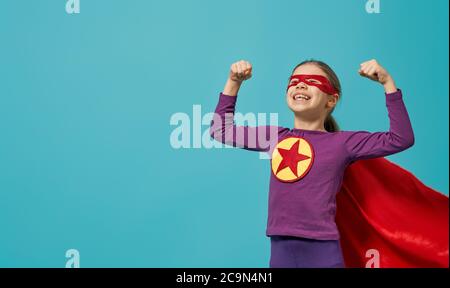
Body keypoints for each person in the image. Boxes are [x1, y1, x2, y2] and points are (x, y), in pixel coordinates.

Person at [209, 59, 447, 268]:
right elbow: (220, 130)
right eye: (295, 80)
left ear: (331, 100)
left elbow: (401, 138)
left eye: (312, 81)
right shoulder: (275, 137)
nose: (301, 84)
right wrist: (233, 82)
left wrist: (387, 83)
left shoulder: (343, 143)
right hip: (280, 247)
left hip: (322, 249)